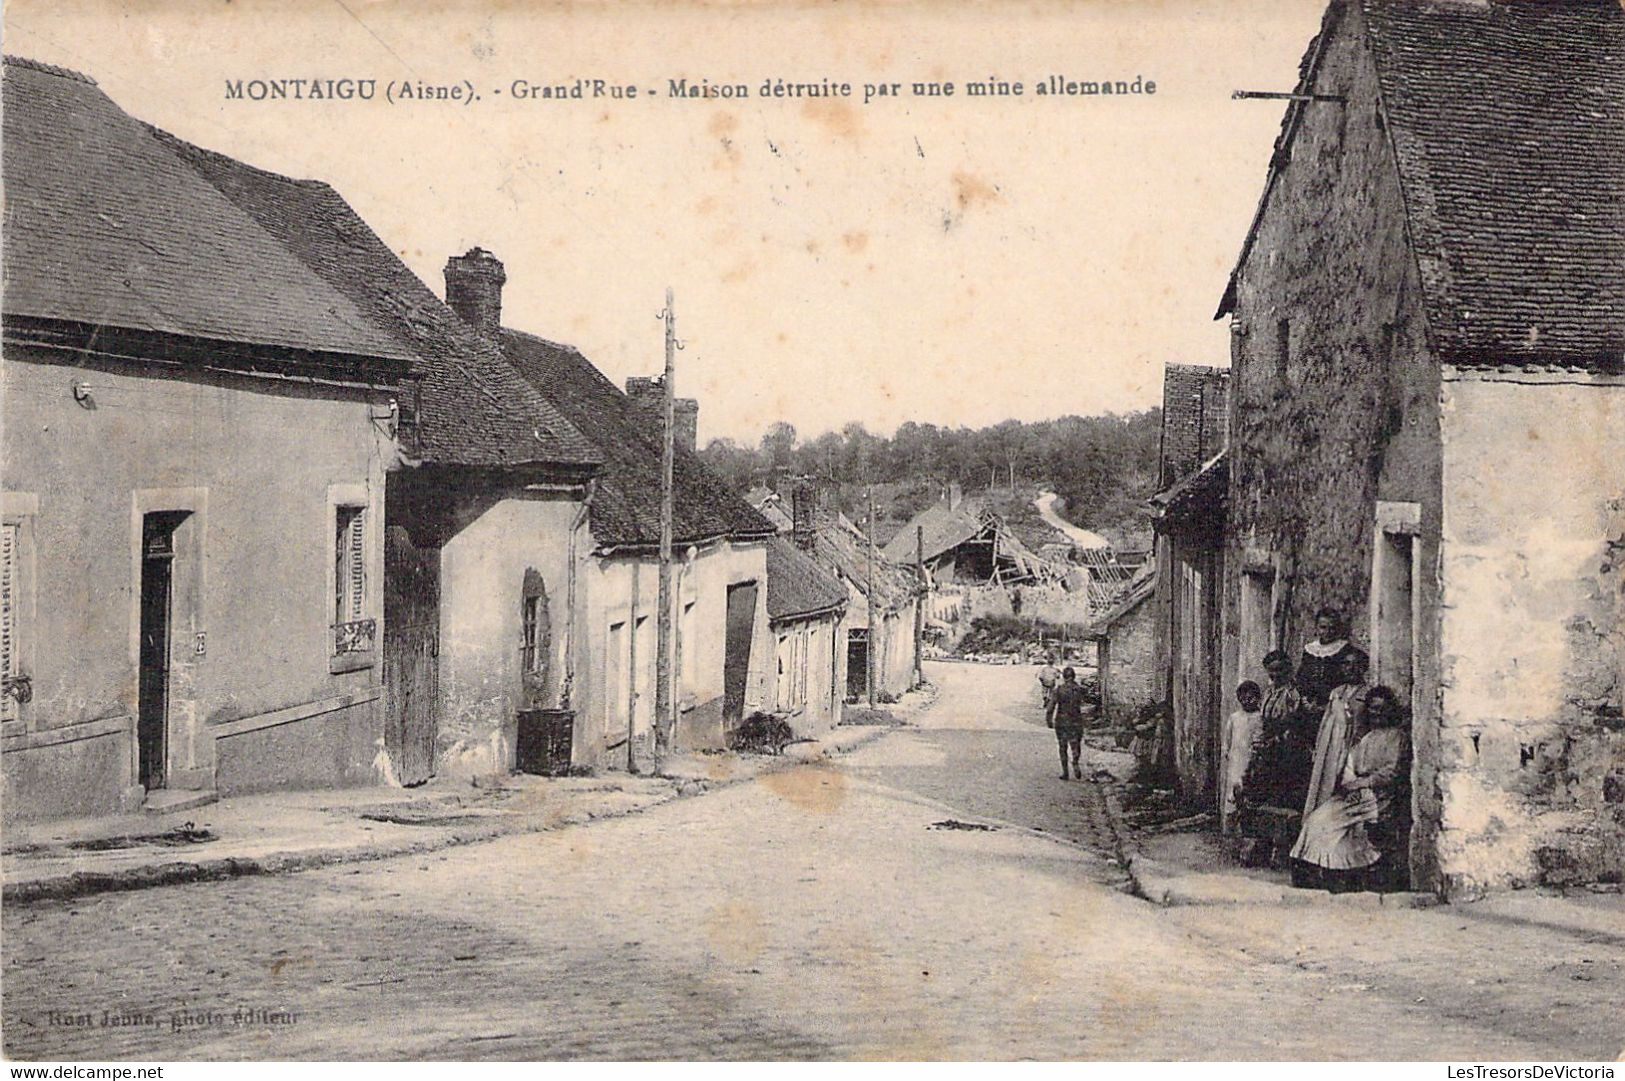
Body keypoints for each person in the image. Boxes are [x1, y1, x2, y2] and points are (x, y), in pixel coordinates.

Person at [1289, 685, 1410, 892]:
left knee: (1329, 824)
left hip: (1378, 795)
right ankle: (1322, 870)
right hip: (1356, 792)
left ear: (1390, 710)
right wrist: (1350, 783)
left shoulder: (1397, 737)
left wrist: (1362, 784)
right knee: (1316, 820)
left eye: (1382, 708)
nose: (1377, 713)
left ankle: (1338, 871)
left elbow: (1392, 772)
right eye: (1373, 708)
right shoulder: (1367, 737)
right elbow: (1350, 765)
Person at [1290, 650, 1371, 882]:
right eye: (1346, 665)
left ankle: (1345, 867)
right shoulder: (1336, 693)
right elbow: (1326, 724)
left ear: (1363, 668)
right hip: (1330, 754)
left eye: (1355, 665)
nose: (1350, 669)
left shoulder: (1366, 694)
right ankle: (1319, 861)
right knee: (1324, 800)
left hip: (1352, 756)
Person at [1241, 650, 1314, 813]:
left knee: (1283, 789)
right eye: (1271, 670)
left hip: (1288, 746)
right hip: (1268, 746)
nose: (1275, 674)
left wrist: (1278, 738)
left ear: (1287, 670)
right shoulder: (1268, 692)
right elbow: (1263, 718)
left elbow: (1297, 721)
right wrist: (1259, 741)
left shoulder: (1293, 693)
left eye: (1279, 669)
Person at [1297, 607, 1368, 712]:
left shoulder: (1345, 649)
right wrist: (1305, 699)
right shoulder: (1309, 649)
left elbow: (1359, 666)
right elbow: (1302, 676)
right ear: (1316, 627)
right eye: (1323, 627)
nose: (1327, 632)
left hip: (1334, 704)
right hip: (1309, 704)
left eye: (1332, 628)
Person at [1222, 680, 1264, 831]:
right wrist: (1228, 753)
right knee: (1232, 793)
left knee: (1246, 792)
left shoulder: (1260, 717)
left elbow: (1259, 740)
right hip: (1235, 760)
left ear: (1258, 698)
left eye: (1251, 697)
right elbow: (1227, 740)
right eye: (1243, 697)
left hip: (1250, 761)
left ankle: (1245, 829)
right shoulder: (1234, 718)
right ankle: (1230, 830)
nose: (1247, 700)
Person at [1051, 666, 1087, 780]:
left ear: (1063, 677)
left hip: (1061, 720)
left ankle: (1065, 772)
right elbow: (1086, 704)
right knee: (1076, 744)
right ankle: (1075, 761)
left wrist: (1048, 720)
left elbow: (1051, 707)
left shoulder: (1058, 690)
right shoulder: (1080, 689)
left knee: (1062, 746)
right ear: (1074, 676)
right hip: (1076, 720)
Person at [1037, 655, 1061, 728]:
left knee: (1044, 691)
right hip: (1051, 683)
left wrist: (1042, 680)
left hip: (1045, 682)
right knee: (1050, 692)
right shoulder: (1055, 669)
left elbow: (1040, 676)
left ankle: (1045, 699)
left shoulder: (1044, 668)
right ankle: (1048, 701)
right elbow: (1058, 676)